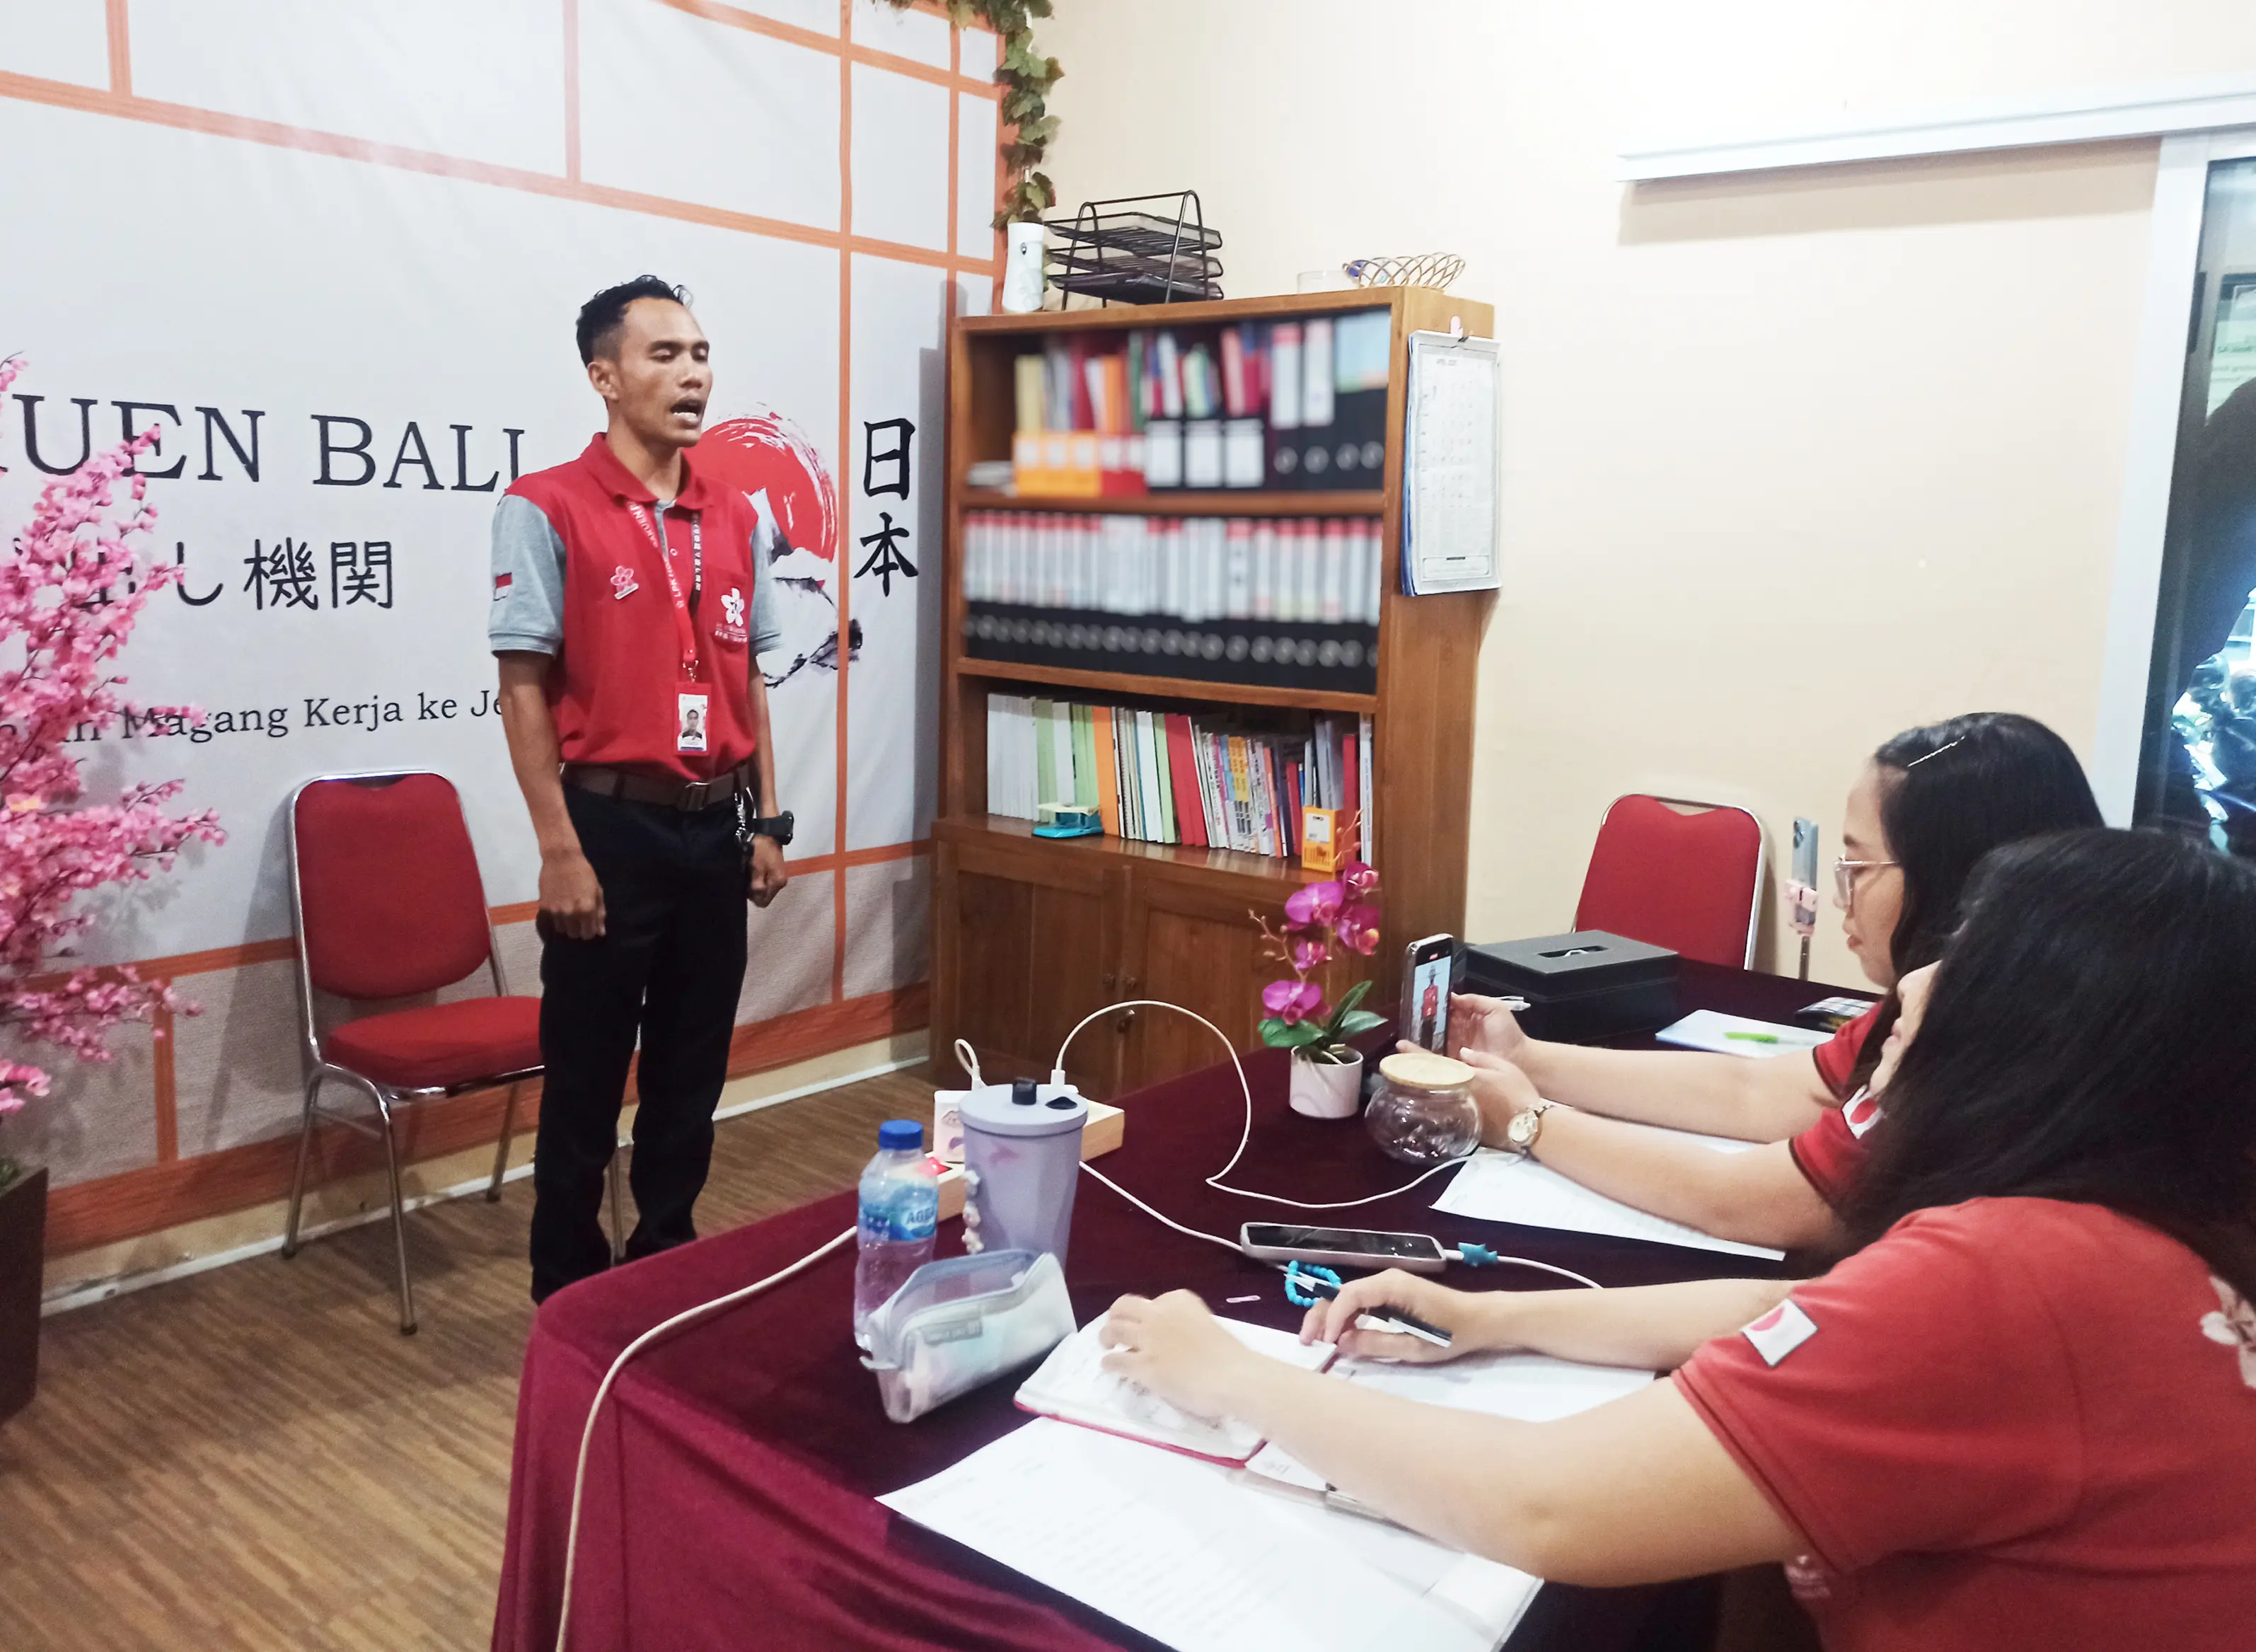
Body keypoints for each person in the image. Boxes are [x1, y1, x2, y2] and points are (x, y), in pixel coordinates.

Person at [1099, 829, 2256, 1649]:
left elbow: (1544, 1505)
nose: (1909, 1002)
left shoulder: (2013, 1275)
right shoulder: (2151, 1223)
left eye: (1962, 973)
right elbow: (1795, 1314)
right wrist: (1496, 1317)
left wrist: (1230, 1374)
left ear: (2039, 1041)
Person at [1441, 712, 2101, 1250]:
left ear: (1956, 880)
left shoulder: (1985, 1050)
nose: (1838, 896)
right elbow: (1752, 1092)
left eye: (1857, 867)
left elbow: (1742, 1201)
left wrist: (1530, 1121)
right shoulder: (1976, 999)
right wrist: (1527, 1058)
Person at [490, 275, 794, 1302]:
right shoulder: (545, 506)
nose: (693, 373)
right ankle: (569, 1287)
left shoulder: (736, 515)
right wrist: (559, 849)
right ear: (605, 377)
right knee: (584, 1075)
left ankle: (665, 1260)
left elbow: (748, 677)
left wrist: (768, 819)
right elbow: (522, 689)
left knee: (690, 1070)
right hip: (607, 828)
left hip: (715, 831)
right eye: (665, 354)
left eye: (701, 353)